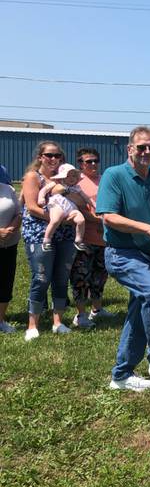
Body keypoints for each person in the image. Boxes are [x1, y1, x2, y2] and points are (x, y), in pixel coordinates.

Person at [96, 126, 150, 392]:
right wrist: (149, 229)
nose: (148, 152)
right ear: (130, 149)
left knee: (139, 314)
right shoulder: (114, 175)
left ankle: (121, 375)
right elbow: (108, 216)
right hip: (122, 254)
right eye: (142, 147)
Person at [20, 141, 78, 341]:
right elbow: (32, 207)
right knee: (41, 277)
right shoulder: (32, 177)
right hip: (39, 233)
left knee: (62, 278)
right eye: (49, 155)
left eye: (58, 156)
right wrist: (59, 218)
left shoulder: (65, 179)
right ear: (40, 157)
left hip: (65, 235)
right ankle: (32, 325)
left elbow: (78, 200)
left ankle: (58, 322)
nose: (54, 159)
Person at [69, 148, 114, 329]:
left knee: (100, 276)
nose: (93, 164)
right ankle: (80, 314)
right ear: (80, 163)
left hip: (103, 239)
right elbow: (77, 209)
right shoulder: (76, 182)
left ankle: (97, 309)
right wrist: (98, 220)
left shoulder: (105, 180)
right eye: (89, 161)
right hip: (84, 240)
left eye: (96, 161)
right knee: (81, 277)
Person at [37, 164, 90, 252]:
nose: (71, 178)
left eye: (74, 176)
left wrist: (94, 205)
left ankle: (78, 240)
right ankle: (46, 240)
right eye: (68, 176)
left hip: (71, 209)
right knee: (55, 220)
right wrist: (41, 198)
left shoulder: (77, 188)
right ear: (62, 177)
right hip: (57, 205)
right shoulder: (56, 183)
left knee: (81, 220)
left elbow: (86, 198)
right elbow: (44, 190)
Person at [0, 171, 22, 333]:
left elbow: (19, 213)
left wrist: (11, 229)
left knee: (5, 282)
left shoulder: (8, 189)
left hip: (9, 244)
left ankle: (0, 320)